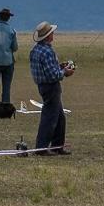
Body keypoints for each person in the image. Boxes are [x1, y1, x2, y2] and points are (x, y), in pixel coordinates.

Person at [29, 21, 74, 155]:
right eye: (51, 33)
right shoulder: (47, 51)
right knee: (49, 118)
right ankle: (41, 148)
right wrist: (65, 72)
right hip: (51, 87)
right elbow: (52, 75)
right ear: (48, 36)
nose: (53, 34)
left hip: (42, 86)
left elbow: (46, 69)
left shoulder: (35, 50)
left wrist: (59, 66)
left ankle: (57, 146)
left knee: (60, 117)